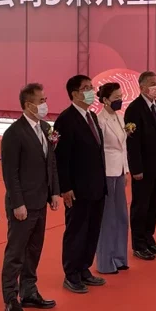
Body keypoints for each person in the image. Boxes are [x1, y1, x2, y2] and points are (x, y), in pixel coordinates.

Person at [1, 83, 60, 311]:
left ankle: (29, 291)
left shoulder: (45, 128)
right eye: (41, 101)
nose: (45, 104)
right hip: (23, 204)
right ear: (28, 105)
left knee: (34, 250)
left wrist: (54, 191)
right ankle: (10, 297)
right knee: (16, 252)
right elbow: (10, 173)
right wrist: (18, 203)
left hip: (40, 200)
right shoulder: (14, 133)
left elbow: (51, 163)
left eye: (45, 99)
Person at [54, 75, 107, 294]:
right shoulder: (66, 120)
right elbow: (61, 158)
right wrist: (65, 188)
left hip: (96, 185)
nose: (91, 91)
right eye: (86, 88)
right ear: (74, 93)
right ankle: (71, 273)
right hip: (77, 188)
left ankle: (84, 268)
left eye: (91, 87)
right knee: (76, 230)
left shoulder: (91, 116)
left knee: (92, 229)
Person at [124, 71, 156, 261]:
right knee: (140, 206)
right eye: (152, 83)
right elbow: (132, 142)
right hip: (143, 168)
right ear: (142, 87)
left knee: (154, 204)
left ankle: (149, 238)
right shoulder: (134, 109)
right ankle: (138, 244)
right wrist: (136, 169)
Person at [95, 82, 131, 274]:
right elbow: (99, 150)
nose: (120, 100)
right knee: (107, 218)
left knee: (121, 216)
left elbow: (123, 147)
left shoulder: (120, 117)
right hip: (107, 172)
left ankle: (119, 257)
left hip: (119, 171)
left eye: (121, 96)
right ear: (105, 100)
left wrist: (126, 170)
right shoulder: (99, 120)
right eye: (116, 97)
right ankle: (105, 261)